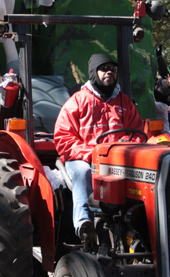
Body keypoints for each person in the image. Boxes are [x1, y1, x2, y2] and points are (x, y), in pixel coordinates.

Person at [54, 54, 143, 248]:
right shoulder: (77, 101)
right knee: (83, 173)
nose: (109, 72)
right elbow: (63, 139)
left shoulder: (125, 103)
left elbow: (137, 134)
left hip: (117, 160)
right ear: (94, 73)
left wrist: (123, 151)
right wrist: (91, 155)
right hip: (83, 158)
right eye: (104, 68)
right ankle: (84, 224)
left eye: (113, 69)